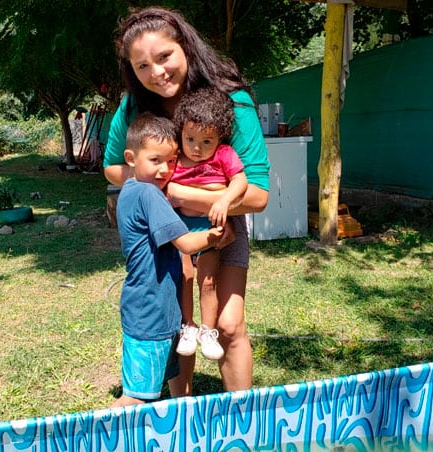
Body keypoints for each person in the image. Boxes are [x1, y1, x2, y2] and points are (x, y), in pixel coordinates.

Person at [104, 6, 270, 394]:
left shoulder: (231, 102)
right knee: (179, 324)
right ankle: (183, 414)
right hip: (167, 235)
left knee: (228, 326)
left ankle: (243, 420)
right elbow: (113, 167)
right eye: (142, 66)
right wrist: (171, 192)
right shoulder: (133, 108)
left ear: (187, 48)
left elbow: (258, 195)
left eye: (164, 57)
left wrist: (179, 192)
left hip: (220, 229)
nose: (156, 72)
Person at [112, 112, 223, 407]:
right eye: (155, 160)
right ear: (131, 158)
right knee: (136, 399)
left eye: (172, 161)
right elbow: (186, 243)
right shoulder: (149, 194)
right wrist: (217, 235)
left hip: (155, 309)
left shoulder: (130, 191)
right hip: (150, 313)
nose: (165, 169)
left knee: (163, 388)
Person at [171, 87, 247, 362]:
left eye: (206, 141)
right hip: (179, 230)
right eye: (190, 139)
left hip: (210, 230)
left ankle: (207, 330)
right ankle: (187, 326)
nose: (197, 148)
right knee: (184, 278)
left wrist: (224, 201)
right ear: (180, 133)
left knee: (208, 280)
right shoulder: (175, 157)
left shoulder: (223, 155)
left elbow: (240, 181)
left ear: (220, 138)